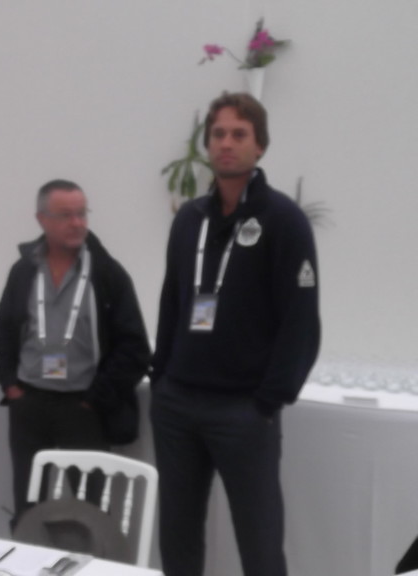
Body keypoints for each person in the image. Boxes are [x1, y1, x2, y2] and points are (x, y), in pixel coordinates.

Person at [150, 92, 321, 576]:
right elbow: (171, 302)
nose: (227, 143)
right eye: (219, 134)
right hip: (178, 405)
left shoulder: (283, 221)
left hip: (244, 409)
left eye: (239, 134)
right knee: (178, 537)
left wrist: (267, 401)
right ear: (208, 144)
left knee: (259, 543)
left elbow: (301, 322)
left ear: (259, 145)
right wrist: (161, 379)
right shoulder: (190, 219)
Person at [0, 179, 151, 529]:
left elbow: (135, 347)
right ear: (42, 219)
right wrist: (10, 386)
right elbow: (3, 329)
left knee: (91, 515)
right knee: (28, 509)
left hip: (83, 408)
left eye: (82, 214)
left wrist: (95, 400)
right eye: (66, 215)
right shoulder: (24, 271)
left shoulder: (107, 274)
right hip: (29, 404)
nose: (77, 223)